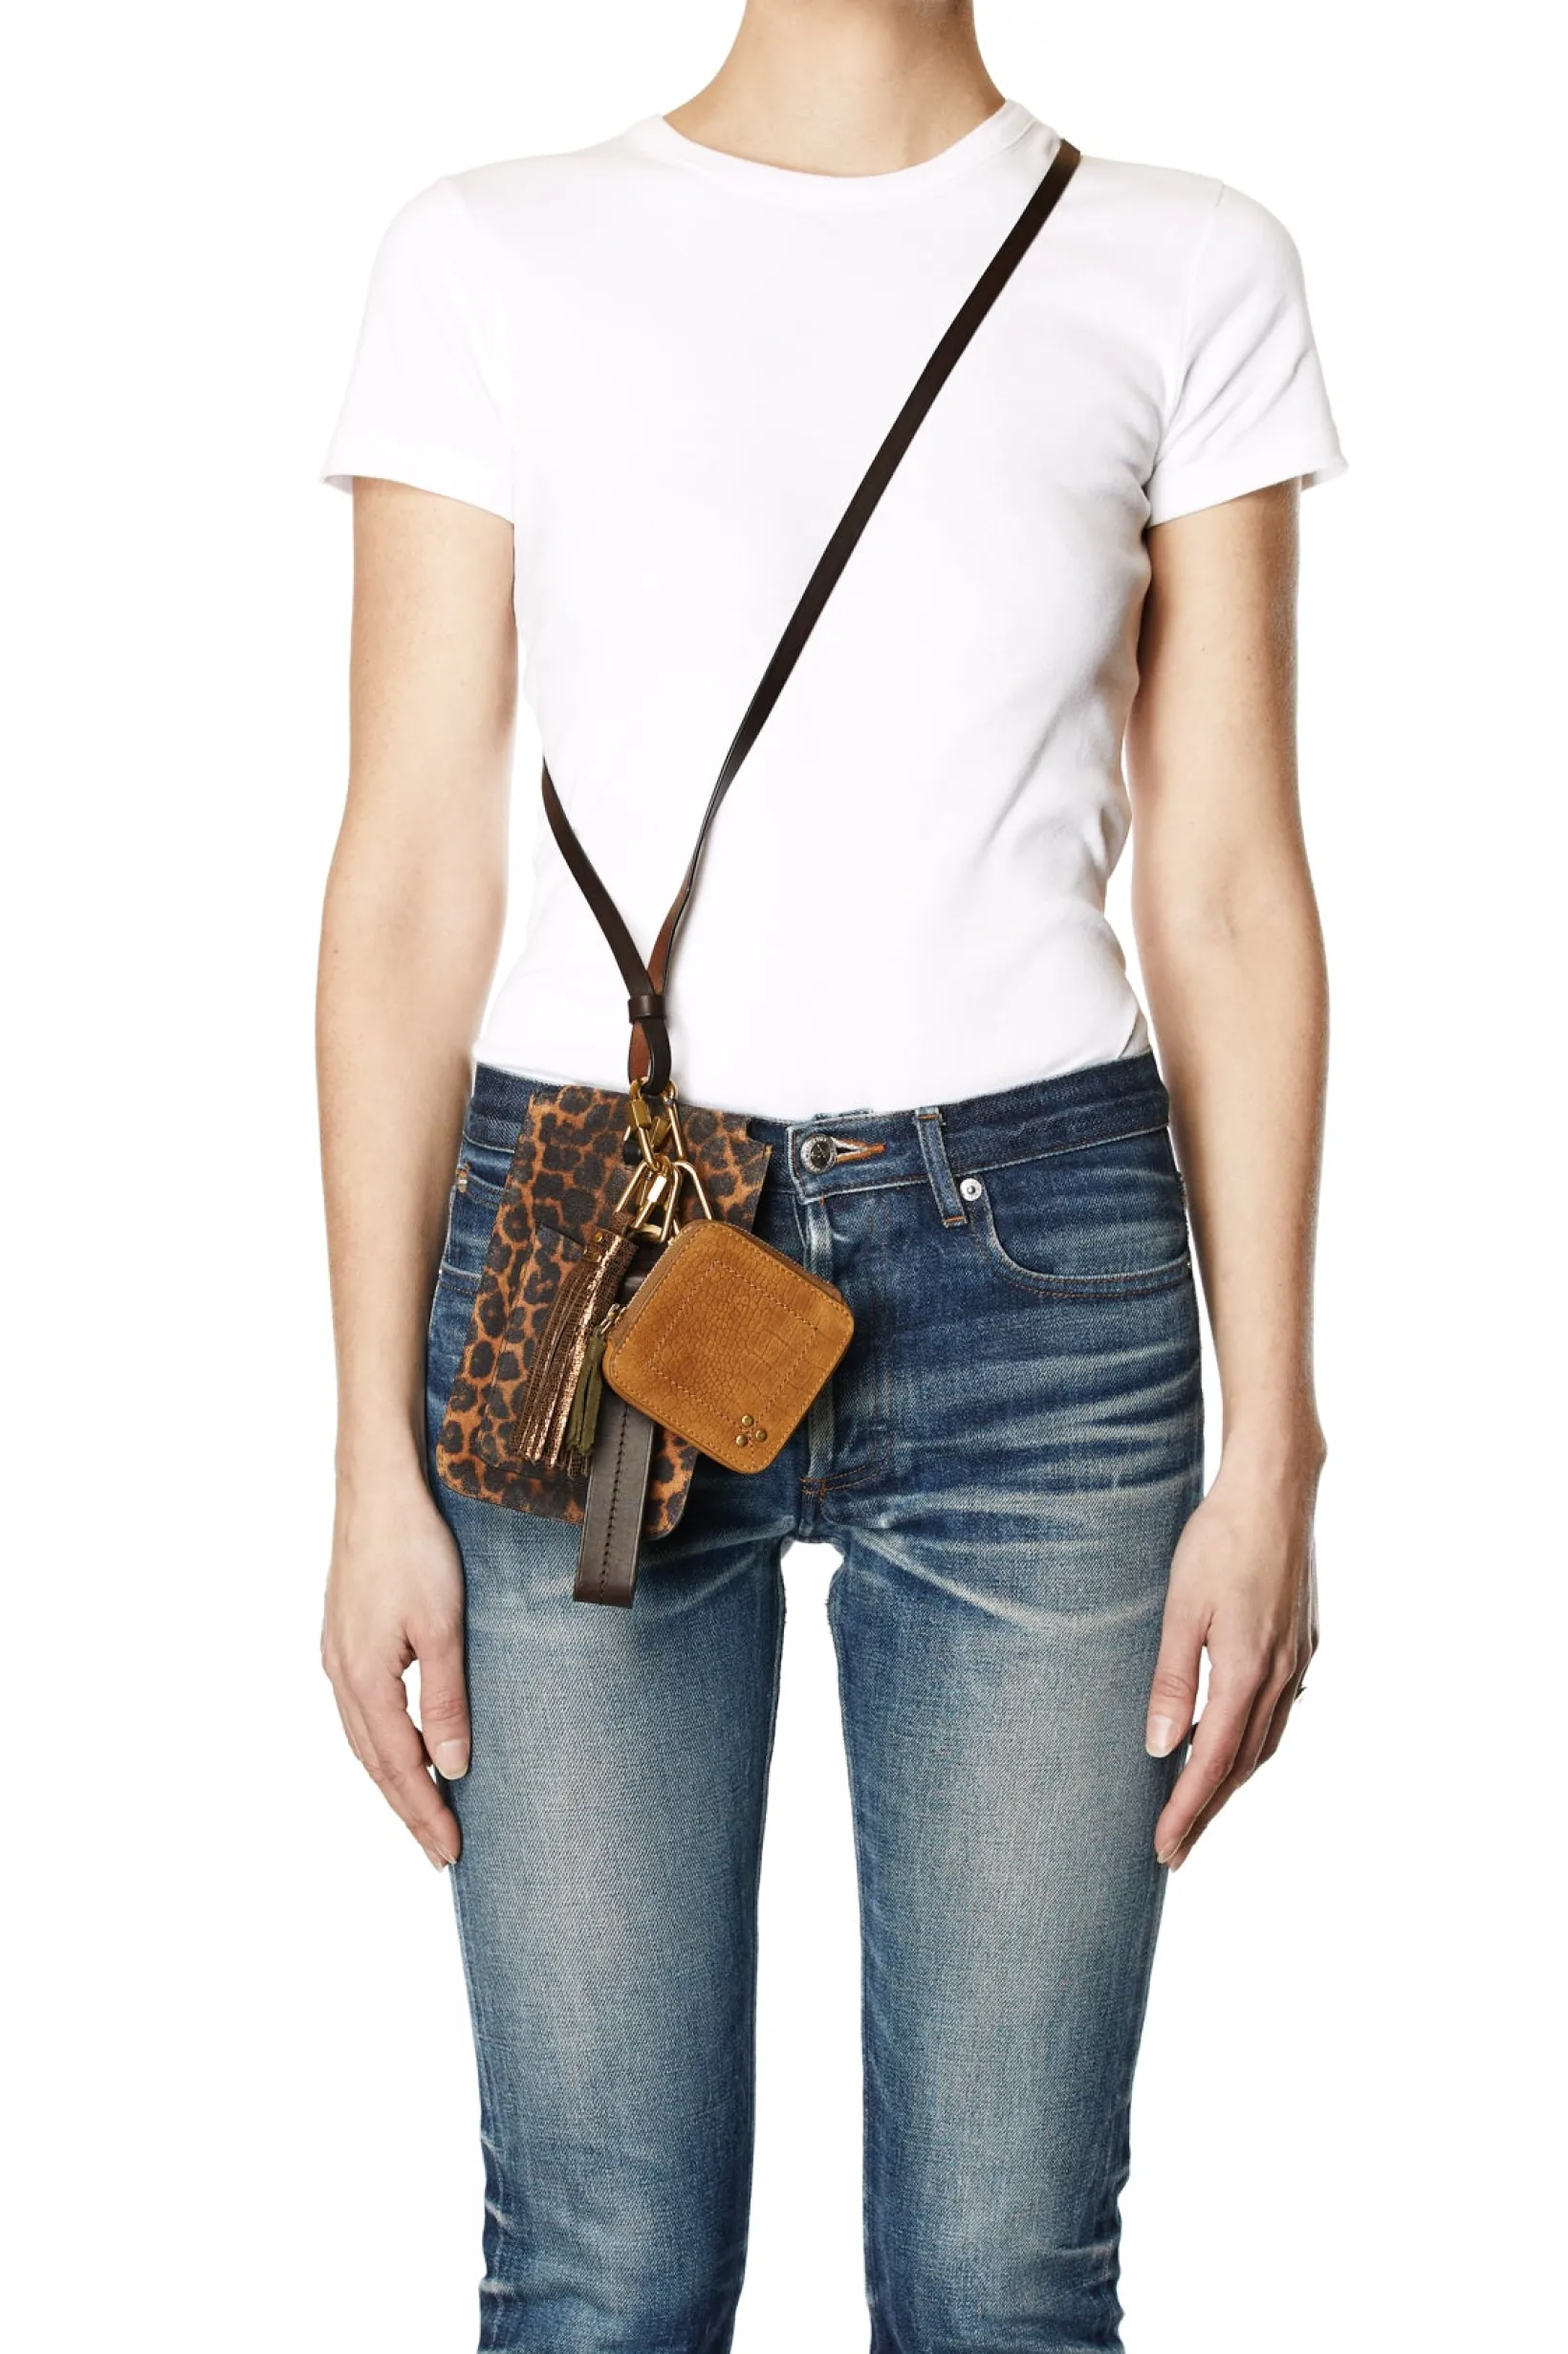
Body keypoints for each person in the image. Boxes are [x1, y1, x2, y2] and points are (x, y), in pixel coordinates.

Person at [316, 3, 1340, 2345]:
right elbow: (405, 883)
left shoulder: (1186, 261)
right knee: (600, 2271)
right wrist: (369, 1456)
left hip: (1040, 1292)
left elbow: (1225, 888)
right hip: (590, 1264)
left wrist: (1275, 1438)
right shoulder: (488, 253)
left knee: (1002, 2277)